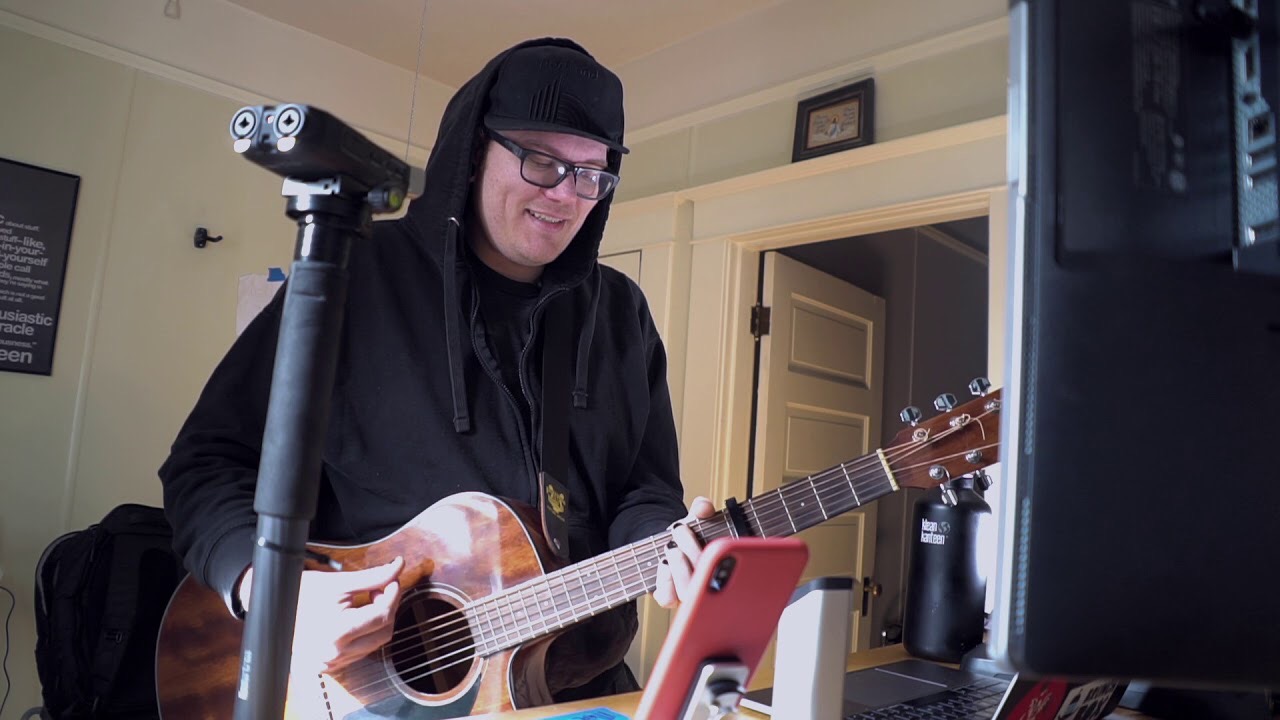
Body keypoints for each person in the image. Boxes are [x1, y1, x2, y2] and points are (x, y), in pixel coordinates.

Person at [159, 37, 715, 707]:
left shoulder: (620, 312)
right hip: (353, 692)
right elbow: (207, 463)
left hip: (571, 686)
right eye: (542, 161)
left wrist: (666, 539)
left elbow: (644, 487)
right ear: (474, 149)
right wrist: (273, 593)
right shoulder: (351, 274)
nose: (568, 195)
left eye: (593, 173)